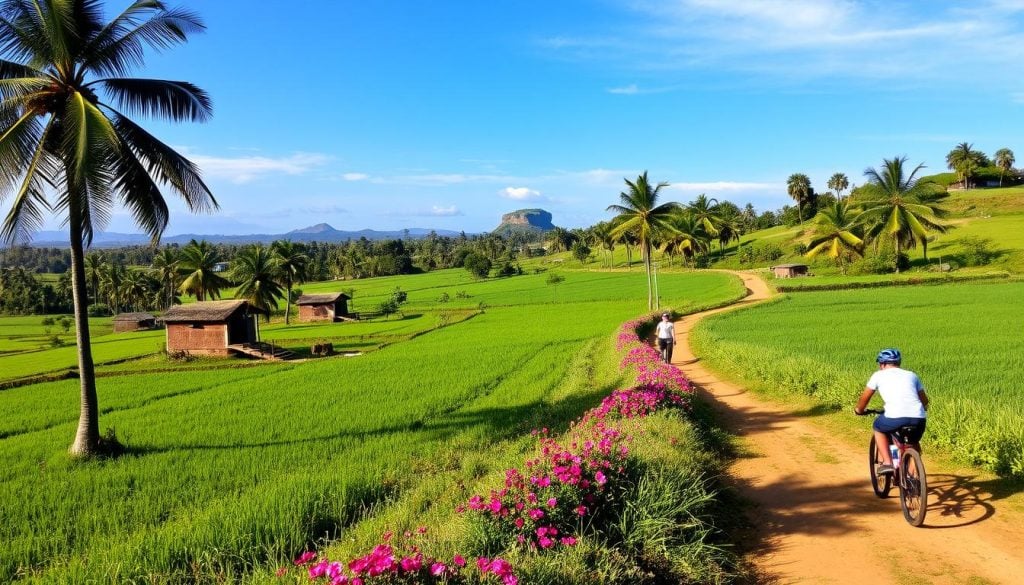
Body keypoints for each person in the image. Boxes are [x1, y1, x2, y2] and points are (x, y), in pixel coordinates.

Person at [854, 348, 929, 475]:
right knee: (913, 442)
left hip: (895, 417)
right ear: (898, 363)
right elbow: (924, 401)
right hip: (918, 417)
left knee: (878, 427)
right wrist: (923, 409)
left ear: (882, 364)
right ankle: (914, 476)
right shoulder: (912, 375)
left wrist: (859, 410)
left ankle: (888, 462)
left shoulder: (878, 375)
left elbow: (865, 397)